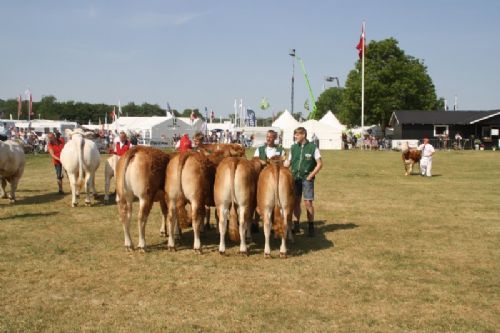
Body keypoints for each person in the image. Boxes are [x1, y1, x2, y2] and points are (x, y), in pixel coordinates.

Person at [284, 127, 323, 236]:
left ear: (303, 135)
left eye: (297, 135)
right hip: (295, 178)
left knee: (308, 202)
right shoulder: (293, 148)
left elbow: (320, 164)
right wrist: (281, 165)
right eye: (295, 134)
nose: (295, 137)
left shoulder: (313, 147)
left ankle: (311, 226)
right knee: (295, 202)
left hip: (307, 179)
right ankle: (296, 225)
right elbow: (288, 163)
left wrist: (311, 175)